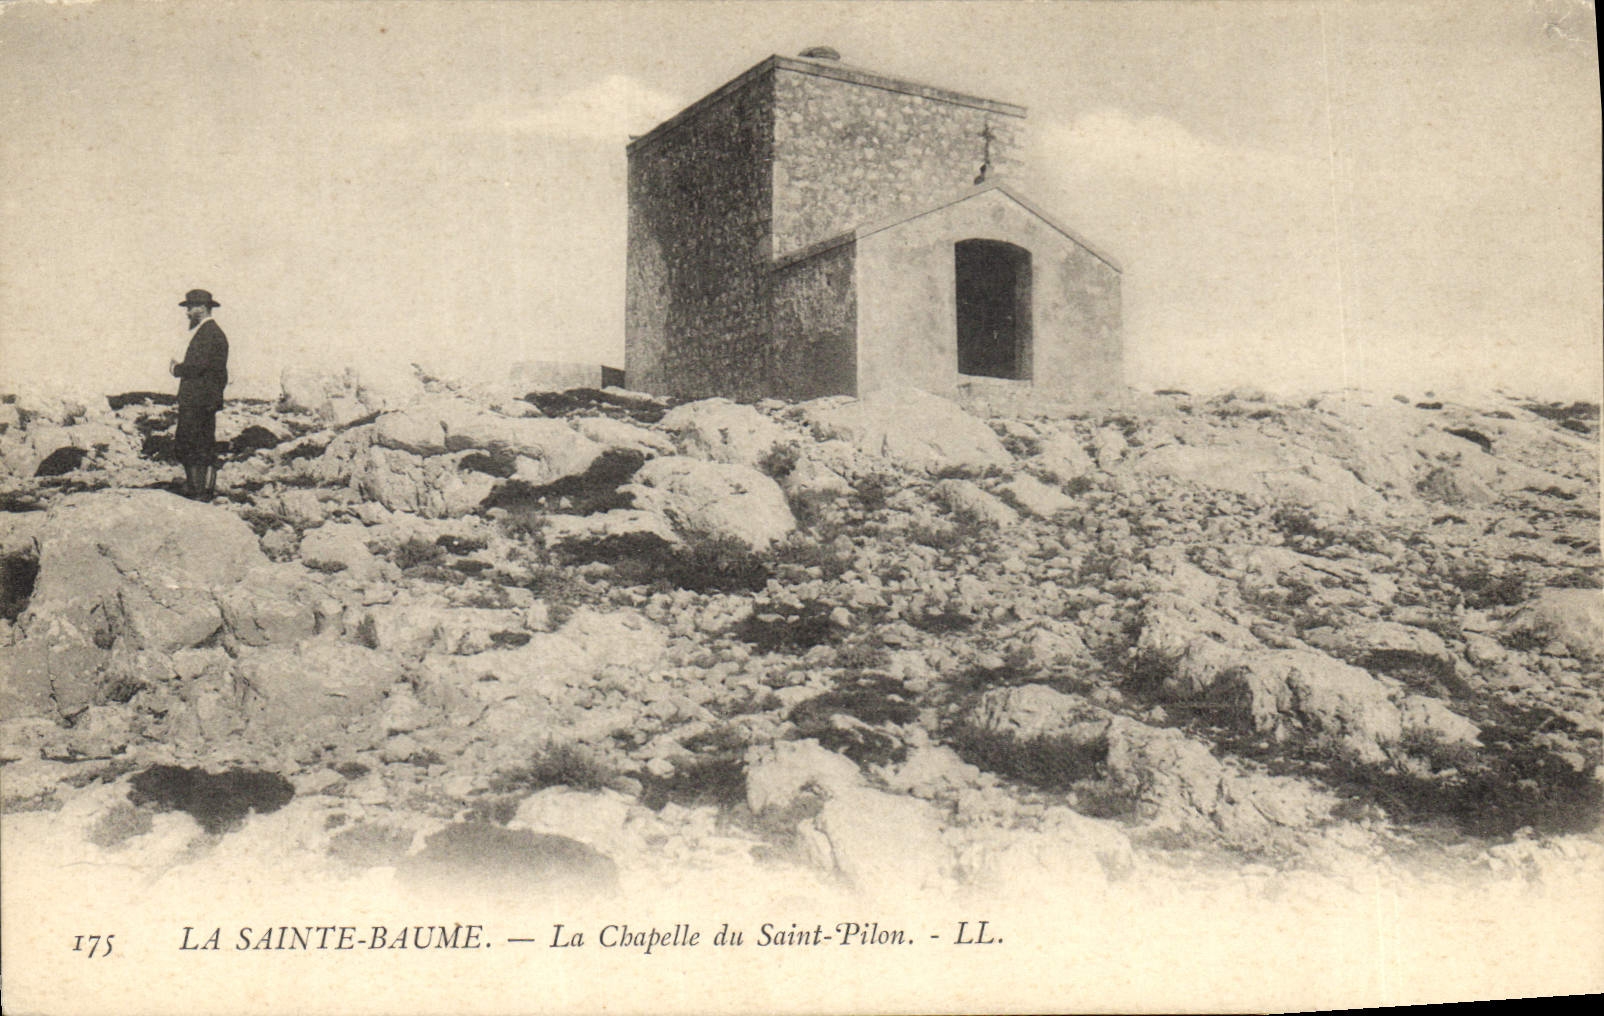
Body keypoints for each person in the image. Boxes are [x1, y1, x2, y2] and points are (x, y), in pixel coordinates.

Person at [170, 289, 229, 499]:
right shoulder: (212, 332)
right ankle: (202, 488)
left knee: (191, 442)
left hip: (197, 400)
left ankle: (197, 490)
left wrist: (176, 369)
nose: (187, 312)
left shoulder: (208, 333)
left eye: (190, 308)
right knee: (202, 443)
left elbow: (198, 367)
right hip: (205, 399)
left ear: (202, 308)